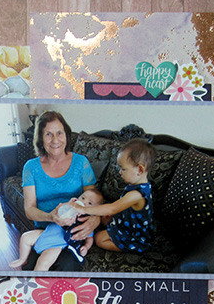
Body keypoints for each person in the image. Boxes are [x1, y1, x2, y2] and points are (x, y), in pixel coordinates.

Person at [16, 110, 100, 271]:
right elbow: (29, 210)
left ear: (66, 135)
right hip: (45, 229)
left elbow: (93, 200)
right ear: (40, 138)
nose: (55, 140)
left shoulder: (81, 163)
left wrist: (94, 220)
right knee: (30, 267)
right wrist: (51, 217)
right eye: (48, 134)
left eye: (59, 133)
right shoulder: (31, 167)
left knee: (65, 267)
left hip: (72, 230)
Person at [72, 138, 155, 253]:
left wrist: (83, 209)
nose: (120, 172)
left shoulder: (137, 194)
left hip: (133, 233)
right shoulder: (136, 185)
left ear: (140, 170)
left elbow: (113, 208)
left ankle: (134, 248)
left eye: (123, 169)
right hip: (126, 221)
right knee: (103, 219)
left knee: (99, 239)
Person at [10, 188, 104, 270]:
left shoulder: (86, 221)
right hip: (45, 233)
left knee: (43, 263)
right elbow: (59, 212)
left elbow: (89, 237)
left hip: (56, 245)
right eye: (83, 198)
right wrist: (68, 205)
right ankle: (22, 259)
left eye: (90, 203)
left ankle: (36, 281)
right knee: (25, 237)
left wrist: (86, 247)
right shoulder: (70, 208)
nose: (84, 202)